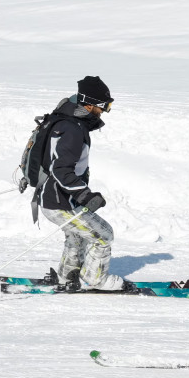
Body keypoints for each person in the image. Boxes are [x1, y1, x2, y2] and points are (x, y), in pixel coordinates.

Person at [33, 75, 126, 292]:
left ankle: (68, 275)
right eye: (103, 106)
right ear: (88, 103)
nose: (104, 111)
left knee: (77, 234)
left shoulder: (66, 122)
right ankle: (94, 280)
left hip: (57, 198)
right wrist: (85, 195)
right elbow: (60, 170)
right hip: (59, 201)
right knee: (103, 235)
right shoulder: (72, 129)